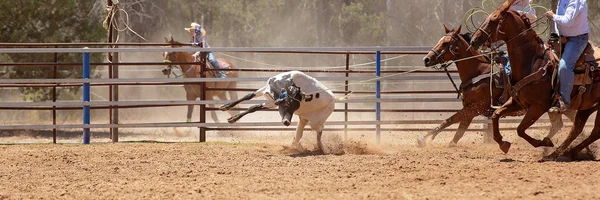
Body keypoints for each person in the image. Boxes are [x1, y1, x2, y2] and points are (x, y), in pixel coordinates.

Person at [545, 0, 589, 113]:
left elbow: (567, 21)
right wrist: (559, 36)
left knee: (564, 67)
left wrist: (553, 16)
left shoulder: (575, 1)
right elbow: (560, 21)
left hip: (578, 39)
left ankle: (564, 102)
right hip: (565, 38)